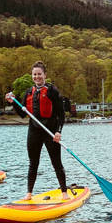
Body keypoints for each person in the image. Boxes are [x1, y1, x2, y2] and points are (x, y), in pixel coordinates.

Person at [5, 61, 68, 200]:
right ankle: (29, 193)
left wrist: (59, 131)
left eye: (39, 74)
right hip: (34, 131)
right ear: (32, 75)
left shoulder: (53, 91)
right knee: (33, 162)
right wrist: (13, 103)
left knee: (56, 162)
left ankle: (64, 192)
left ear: (45, 75)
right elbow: (22, 114)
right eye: (34, 74)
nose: (37, 77)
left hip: (50, 131)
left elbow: (61, 114)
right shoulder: (28, 92)